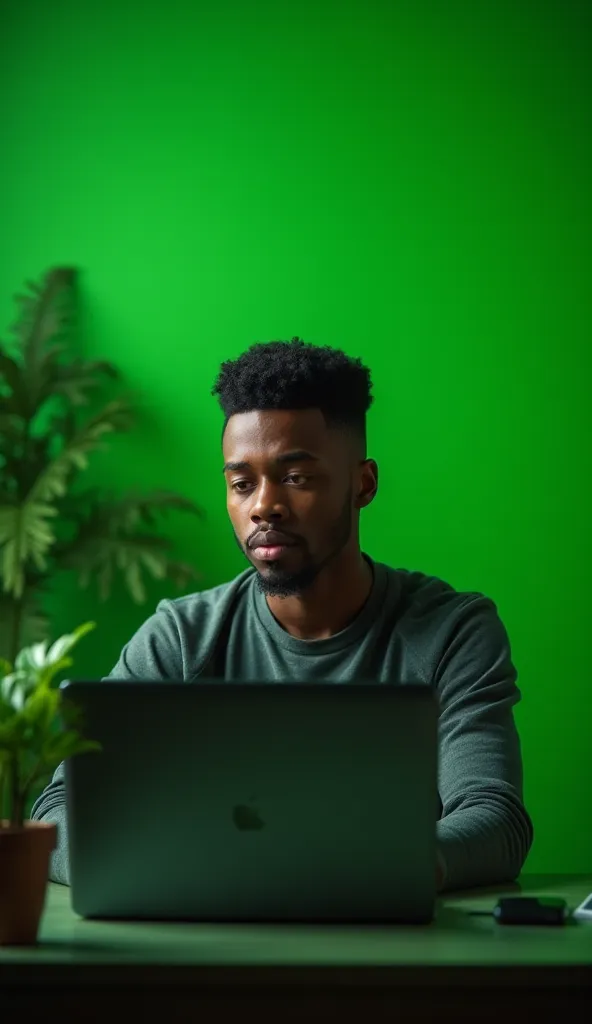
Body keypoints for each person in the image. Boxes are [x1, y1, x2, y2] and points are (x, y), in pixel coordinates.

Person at [32, 337, 534, 890]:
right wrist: (202, 866)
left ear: (361, 484)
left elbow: (494, 818)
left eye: (295, 478)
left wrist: (375, 868)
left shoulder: (452, 632)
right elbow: (58, 807)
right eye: (241, 484)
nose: (262, 506)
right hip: (207, 956)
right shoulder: (181, 637)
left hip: (391, 959)